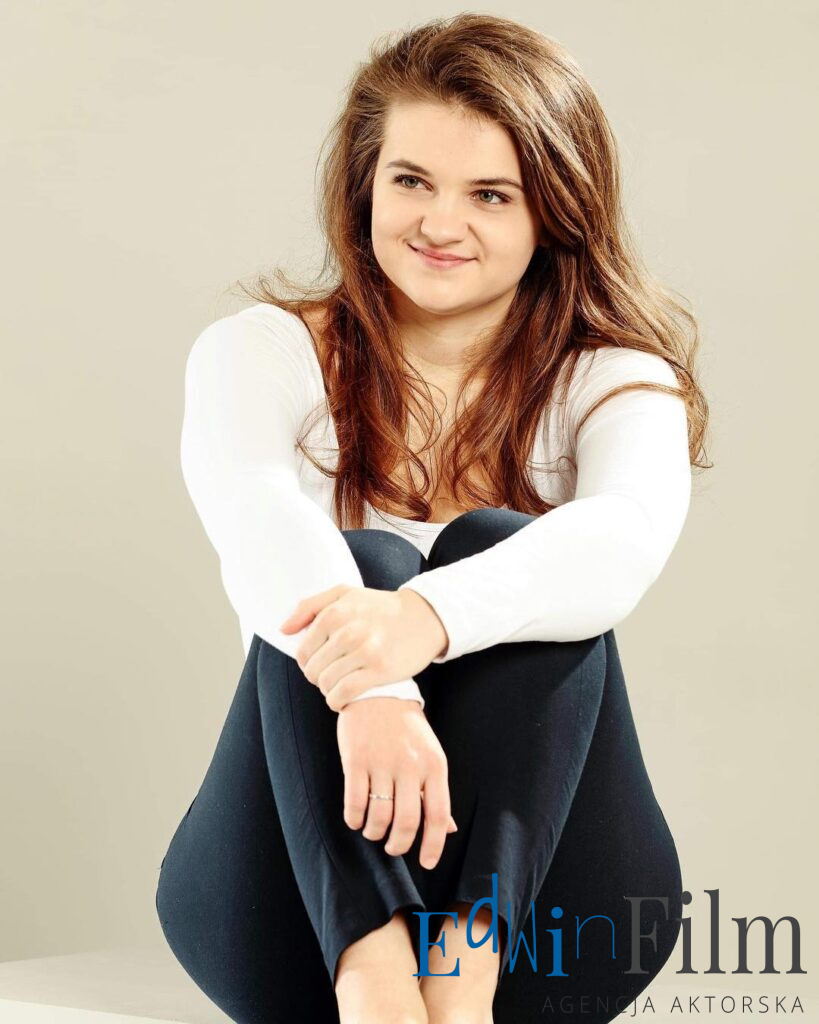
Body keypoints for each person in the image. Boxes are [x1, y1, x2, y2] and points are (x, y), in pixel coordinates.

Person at [155, 13, 710, 1024]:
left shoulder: (620, 382)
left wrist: (418, 623)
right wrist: (376, 690)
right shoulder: (259, 351)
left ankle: (464, 969)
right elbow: (255, 514)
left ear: (555, 211)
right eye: (411, 180)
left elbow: (619, 543)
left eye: (490, 194)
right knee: (353, 563)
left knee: (506, 548)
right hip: (289, 924)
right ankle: (373, 973)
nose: (439, 223)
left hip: (552, 935)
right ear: (364, 185)